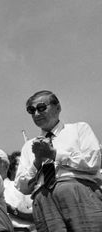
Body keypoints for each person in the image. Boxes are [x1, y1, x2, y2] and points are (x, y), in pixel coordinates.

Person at [14, 90, 102, 232]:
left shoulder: (79, 129)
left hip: (78, 192)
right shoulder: (28, 146)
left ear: (58, 107)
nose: (36, 113)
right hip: (44, 201)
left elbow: (93, 161)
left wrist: (55, 154)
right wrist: (37, 162)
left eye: (41, 107)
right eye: (31, 110)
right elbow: (22, 187)